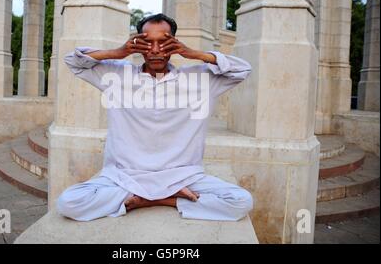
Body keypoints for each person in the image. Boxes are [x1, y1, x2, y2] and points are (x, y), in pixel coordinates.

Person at [57, 13, 254, 222]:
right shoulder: (117, 76)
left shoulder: (199, 79)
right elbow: (73, 61)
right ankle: (160, 198)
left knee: (241, 201)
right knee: (68, 203)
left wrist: (193, 53)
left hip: (182, 177)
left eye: (164, 42)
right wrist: (119, 52)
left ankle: (158, 198)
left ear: (175, 43)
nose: (155, 50)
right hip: (125, 177)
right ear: (138, 44)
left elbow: (243, 69)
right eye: (147, 43)